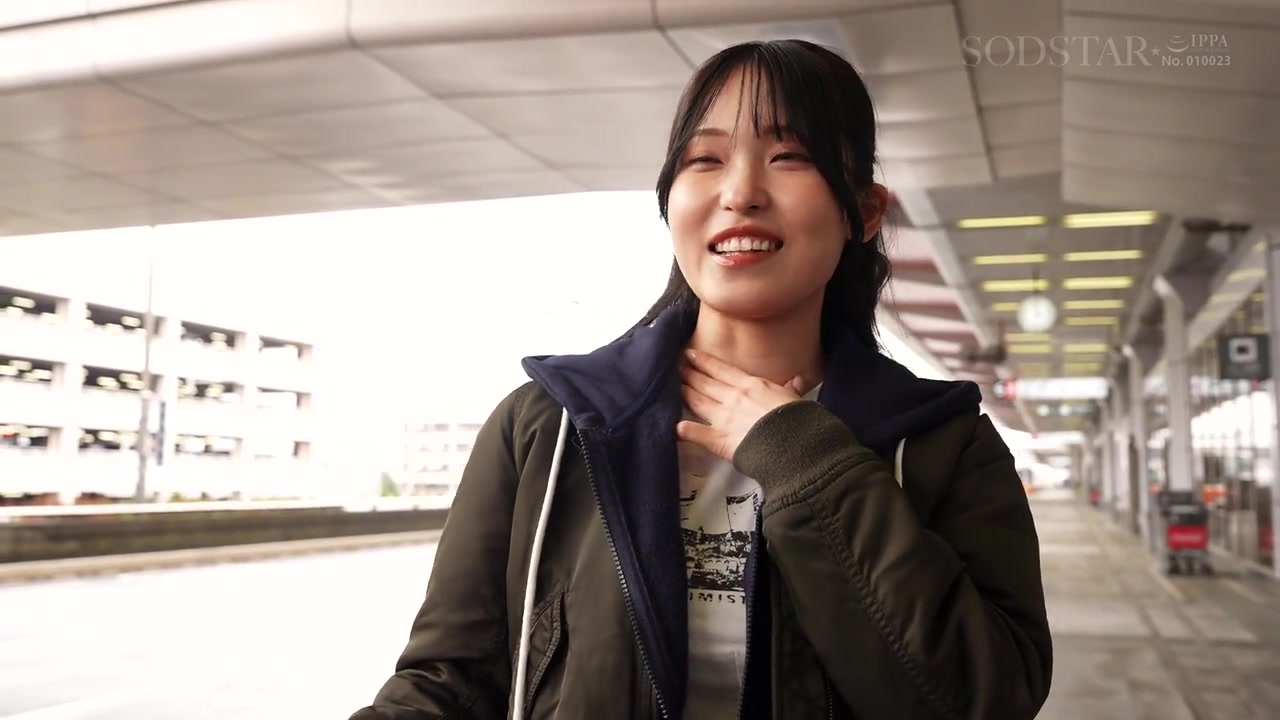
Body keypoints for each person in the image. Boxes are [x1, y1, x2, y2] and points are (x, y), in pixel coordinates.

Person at [350, 39, 1053, 720]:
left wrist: (809, 463)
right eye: (705, 159)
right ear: (671, 201)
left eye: (790, 157)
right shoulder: (550, 427)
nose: (740, 192)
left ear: (864, 212)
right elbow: (449, 684)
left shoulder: (943, 445)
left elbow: (987, 697)